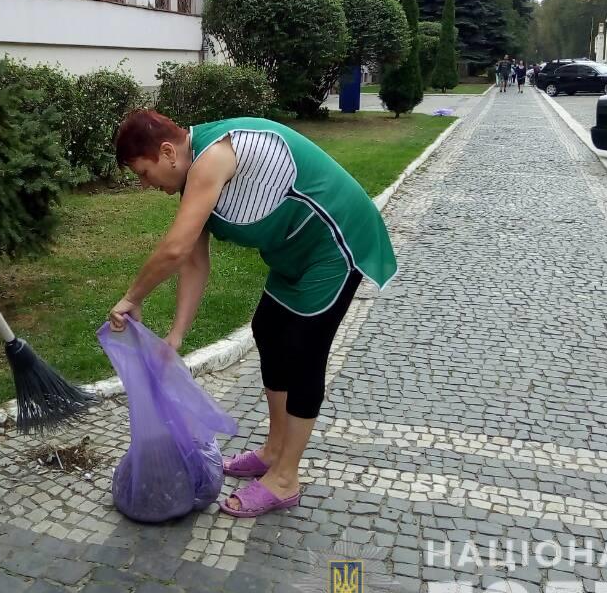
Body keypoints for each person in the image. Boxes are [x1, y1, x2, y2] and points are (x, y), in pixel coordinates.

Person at [109, 111, 397, 518]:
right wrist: (175, 336)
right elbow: (193, 261)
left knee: (303, 352)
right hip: (294, 253)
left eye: (143, 171)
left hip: (335, 244)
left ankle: (285, 480)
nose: (144, 184)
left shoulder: (214, 156)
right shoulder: (193, 176)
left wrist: (132, 296)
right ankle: (273, 450)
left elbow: (174, 249)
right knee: (268, 329)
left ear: (168, 152)